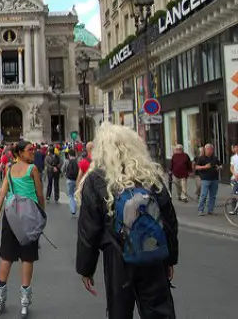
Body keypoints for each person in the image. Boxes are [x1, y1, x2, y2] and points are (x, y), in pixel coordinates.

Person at [76, 123, 178, 319]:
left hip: (117, 255)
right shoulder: (149, 175)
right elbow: (169, 219)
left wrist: (86, 268)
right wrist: (170, 258)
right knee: (158, 309)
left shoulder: (97, 178)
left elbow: (89, 229)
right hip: (152, 250)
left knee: (120, 310)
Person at [0, 141, 44, 314]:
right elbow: (40, 195)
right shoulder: (32, 169)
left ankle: (0, 295)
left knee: (7, 255)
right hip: (29, 216)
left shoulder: (9, 169)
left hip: (11, 215)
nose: (33, 152)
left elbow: (2, 193)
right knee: (27, 257)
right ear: (20, 152)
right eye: (30, 150)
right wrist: (42, 216)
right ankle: (25, 300)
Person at [195, 143, 221, 216]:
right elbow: (196, 167)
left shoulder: (215, 158)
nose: (209, 151)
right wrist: (204, 167)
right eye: (208, 149)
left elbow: (219, 165)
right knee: (203, 194)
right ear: (205, 150)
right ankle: (200, 210)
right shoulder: (201, 158)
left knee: (213, 196)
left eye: (211, 149)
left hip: (215, 179)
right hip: (205, 179)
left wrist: (219, 167)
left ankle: (210, 210)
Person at [64, 150, 79, 217]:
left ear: (69, 155)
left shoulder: (69, 162)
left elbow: (65, 170)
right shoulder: (77, 162)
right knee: (75, 195)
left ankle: (73, 210)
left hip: (69, 180)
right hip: (76, 180)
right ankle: (75, 207)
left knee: (70, 195)